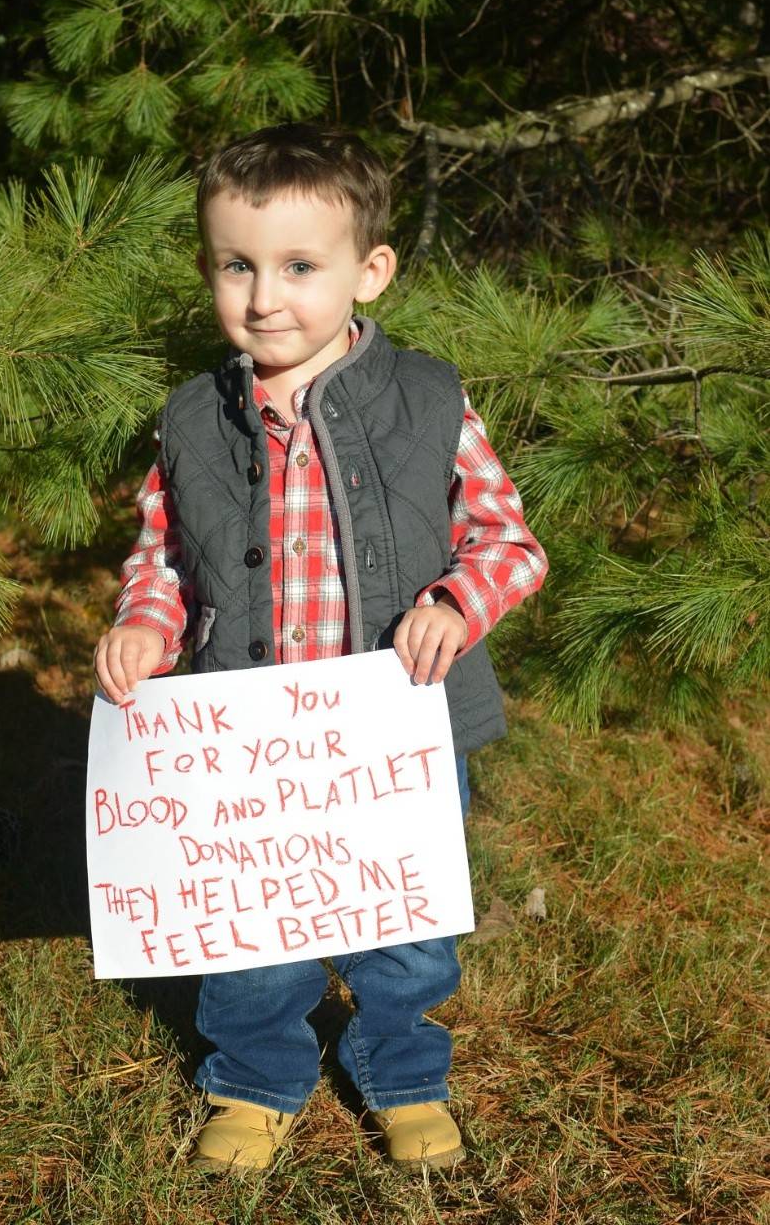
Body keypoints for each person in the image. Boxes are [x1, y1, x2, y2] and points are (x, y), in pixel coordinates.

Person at [94, 122, 548, 1173]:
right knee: (255, 928)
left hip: (394, 731)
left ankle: (403, 1067)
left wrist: (452, 603)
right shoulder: (193, 420)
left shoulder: (426, 398)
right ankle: (254, 1074)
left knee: (405, 927)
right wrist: (145, 623)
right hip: (251, 744)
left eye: (300, 267)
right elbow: (164, 553)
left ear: (370, 271)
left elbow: (507, 542)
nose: (264, 298)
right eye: (236, 266)